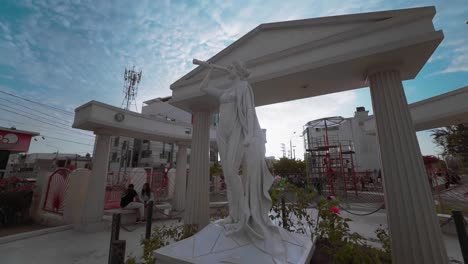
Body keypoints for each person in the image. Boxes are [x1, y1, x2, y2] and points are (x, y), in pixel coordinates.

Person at [198, 59, 285, 261]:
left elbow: (248, 110)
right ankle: (234, 215)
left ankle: (244, 214)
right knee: (227, 175)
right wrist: (209, 71)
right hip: (223, 132)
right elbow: (203, 87)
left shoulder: (243, 86)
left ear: (237, 71)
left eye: (230, 67)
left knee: (231, 171)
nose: (227, 69)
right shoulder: (225, 90)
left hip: (237, 129)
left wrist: (248, 134)